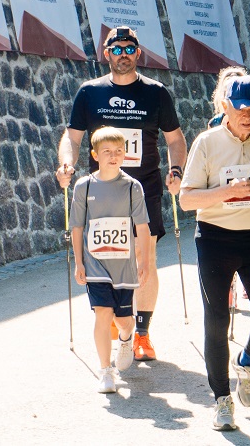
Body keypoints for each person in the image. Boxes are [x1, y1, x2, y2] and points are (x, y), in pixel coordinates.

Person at [56, 26, 186, 362]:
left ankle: (141, 334)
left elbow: (175, 140)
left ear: (138, 54)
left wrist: (177, 172)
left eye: (129, 49)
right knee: (107, 256)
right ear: (106, 53)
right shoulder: (89, 93)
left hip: (145, 190)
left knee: (146, 260)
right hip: (101, 192)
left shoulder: (156, 93)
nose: (123, 55)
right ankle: (116, 316)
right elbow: (71, 138)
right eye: (117, 49)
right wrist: (67, 166)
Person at [178, 76, 250, 431]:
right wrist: (225, 192)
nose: (248, 117)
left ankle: (246, 360)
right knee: (216, 321)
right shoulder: (207, 143)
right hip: (215, 239)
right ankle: (222, 399)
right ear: (225, 107)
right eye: (241, 109)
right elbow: (186, 199)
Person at [69, 127, 153, 394]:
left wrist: (145, 262)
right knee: (102, 314)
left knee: (123, 319)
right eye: (107, 152)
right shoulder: (84, 186)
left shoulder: (132, 187)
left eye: (118, 151)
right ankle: (106, 371)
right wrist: (79, 262)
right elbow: (77, 228)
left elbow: (142, 227)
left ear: (125, 154)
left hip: (124, 265)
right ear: (95, 155)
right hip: (95, 264)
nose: (113, 156)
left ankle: (127, 338)